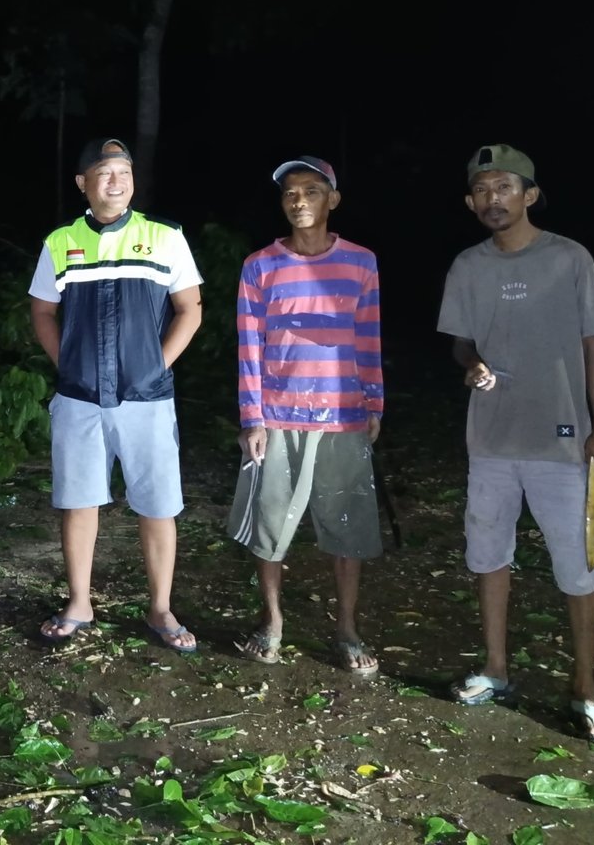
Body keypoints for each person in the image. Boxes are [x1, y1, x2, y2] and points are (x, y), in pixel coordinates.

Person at [437, 144, 594, 743]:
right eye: (482, 190)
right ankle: (496, 669)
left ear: (530, 195)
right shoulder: (467, 266)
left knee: (578, 565)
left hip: (562, 441)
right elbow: (461, 341)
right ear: (470, 203)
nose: (493, 199)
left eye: (505, 188)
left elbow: (593, 347)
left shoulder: (569, 259)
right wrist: (472, 363)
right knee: (488, 553)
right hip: (491, 439)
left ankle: (585, 686)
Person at [28, 137, 203, 651]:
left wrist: (155, 366)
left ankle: (161, 608)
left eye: (123, 172)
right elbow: (42, 311)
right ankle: (79, 602)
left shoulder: (164, 236)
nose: (116, 181)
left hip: (147, 399)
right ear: (82, 183)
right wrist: (67, 364)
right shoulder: (60, 241)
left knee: (158, 504)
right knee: (79, 501)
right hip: (79, 399)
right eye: (104, 173)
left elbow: (190, 309)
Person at [227, 156, 385, 675]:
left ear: (332, 200)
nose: (299, 200)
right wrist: (253, 417)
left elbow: (368, 336)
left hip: (343, 415)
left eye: (312, 191)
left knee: (347, 529)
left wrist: (374, 401)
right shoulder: (260, 266)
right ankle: (272, 623)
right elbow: (249, 346)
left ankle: (347, 629)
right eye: (290, 193)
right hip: (278, 416)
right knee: (270, 524)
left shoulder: (361, 262)